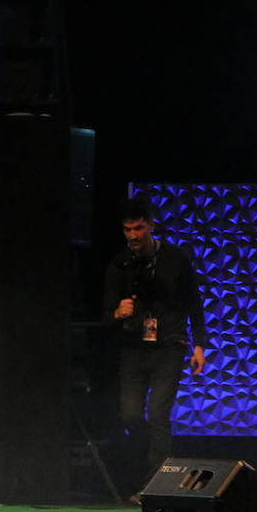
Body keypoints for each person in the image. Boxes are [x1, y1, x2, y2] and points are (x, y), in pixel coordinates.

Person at [102, 197, 208, 492]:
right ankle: (142, 469)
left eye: (138, 228)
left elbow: (194, 303)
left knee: (159, 414)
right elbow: (105, 314)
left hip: (169, 346)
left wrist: (199, 345)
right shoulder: (119, 265)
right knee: (131, 415)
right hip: (133, 348)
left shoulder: (175, 259)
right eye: (127, 230)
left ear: (150, 226)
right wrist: (116, 313)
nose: (133, 236)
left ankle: (154, 486)